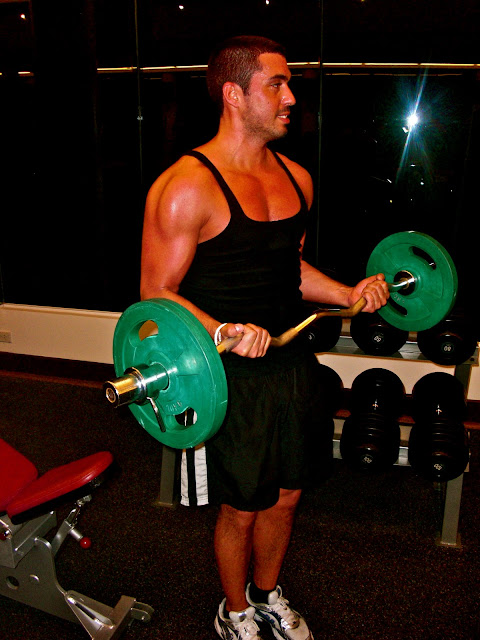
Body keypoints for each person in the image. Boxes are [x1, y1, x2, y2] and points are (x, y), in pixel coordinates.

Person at [141, 35, 389, 640]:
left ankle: (268, 594)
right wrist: (222, 330)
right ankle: (234, 612)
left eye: (289, 84)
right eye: (276, 84)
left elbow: (289, 269)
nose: (290, 97)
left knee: (287, 495)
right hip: (225, 374)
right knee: (241, 506)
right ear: (234, 94)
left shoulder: (297, 178)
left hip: (291, 362)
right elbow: (154, 295)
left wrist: (347, 293)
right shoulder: (186, 186)